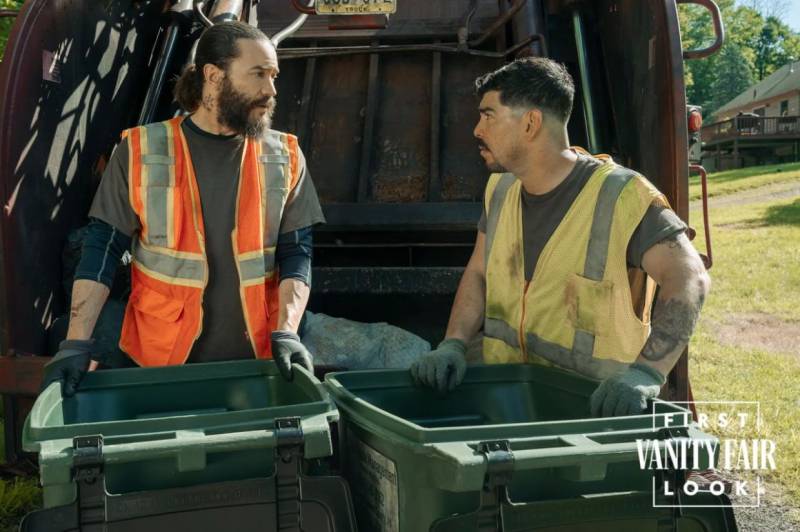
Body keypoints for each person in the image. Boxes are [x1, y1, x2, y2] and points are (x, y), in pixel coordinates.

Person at [410, 58, 710, 417]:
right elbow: (479, 272)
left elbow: (689, 278)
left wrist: (646, 372)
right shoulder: (500, 189)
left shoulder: (621, 195)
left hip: (592, 418)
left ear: (531, 123)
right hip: (508, 407)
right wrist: (454, 343)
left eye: (488, 116)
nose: (477, 129)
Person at [42, 22, 324, 396]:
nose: (271, 90)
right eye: (258, 74)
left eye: (273, 76)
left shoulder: (285, 156)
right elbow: (101, 250)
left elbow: (297, 253)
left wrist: (287, 332)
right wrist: (76, 343)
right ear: (213, 76)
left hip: (259, 364)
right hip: (159, 364)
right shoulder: (140, 151)